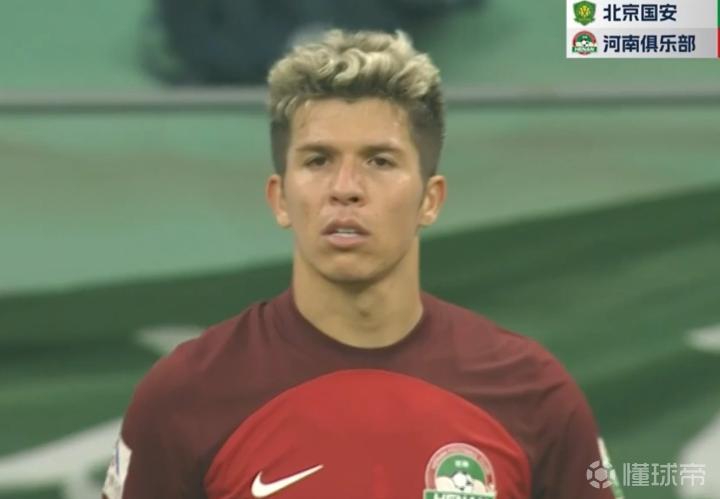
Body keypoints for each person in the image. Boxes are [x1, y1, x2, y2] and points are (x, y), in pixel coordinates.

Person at [102, 29, 622, 499]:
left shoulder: (533, 392)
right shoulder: (184, 394)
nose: (346, 189)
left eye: (379, 161)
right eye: (318, 160)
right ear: (280, 199)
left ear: (430, 200)